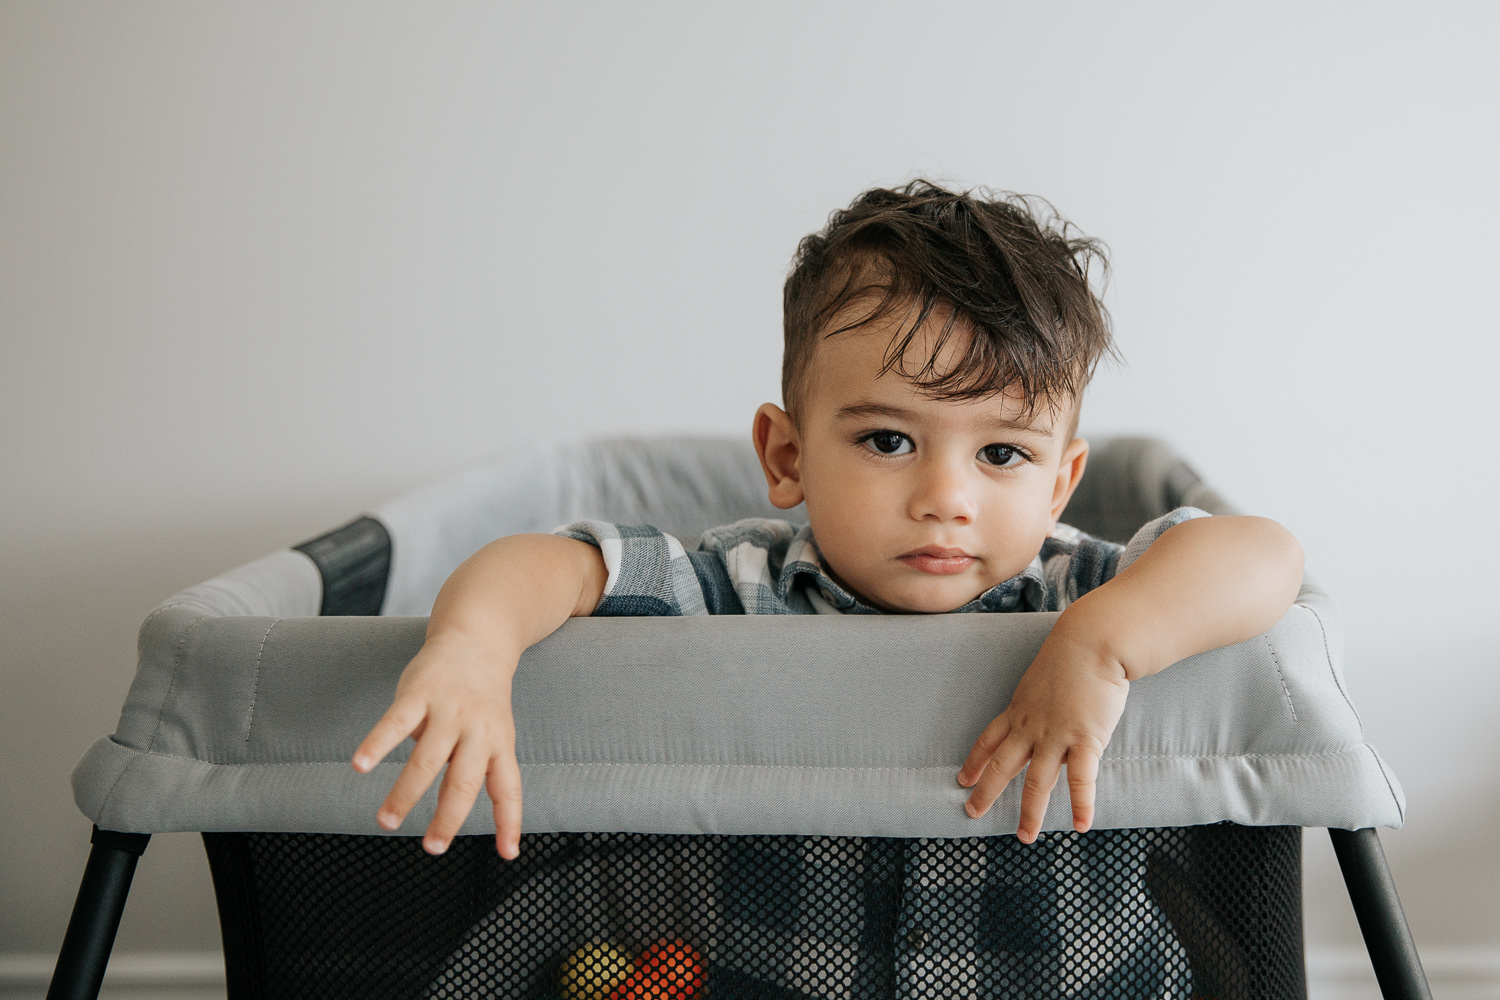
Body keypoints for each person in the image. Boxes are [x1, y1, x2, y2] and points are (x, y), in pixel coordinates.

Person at [351, 180, 1304, 863]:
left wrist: (1099, 649)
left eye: (1002, 454)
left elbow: (1267, 557)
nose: (947, 496)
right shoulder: (740, 585)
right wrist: (475, 648)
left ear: (1061, 485)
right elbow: (553, 563)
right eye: (889, 441)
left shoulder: (1082, 591)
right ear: (787, 458)